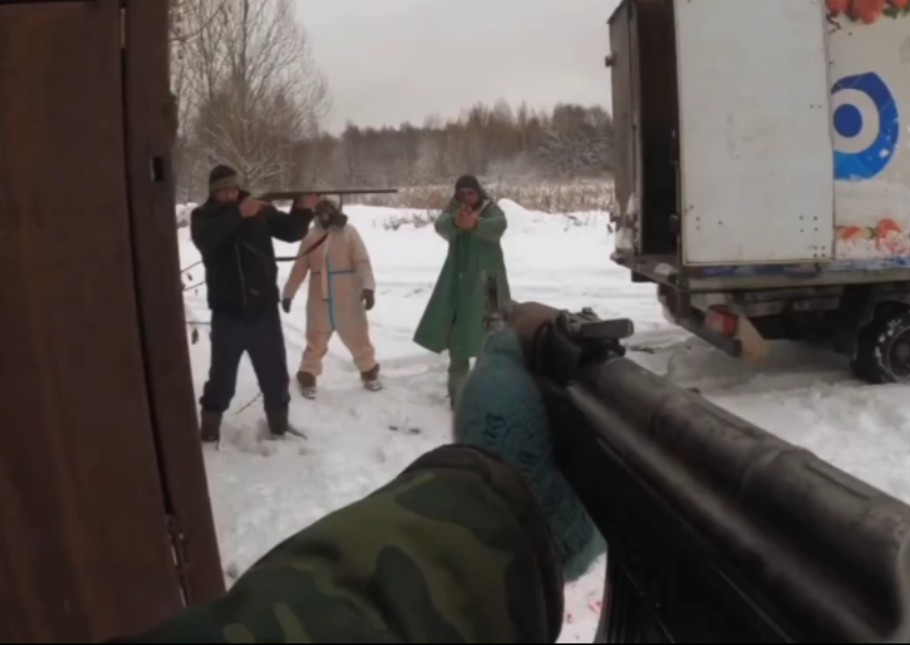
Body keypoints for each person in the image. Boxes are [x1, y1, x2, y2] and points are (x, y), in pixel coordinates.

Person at [120, 302, 606, 643]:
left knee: (356, 342)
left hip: (345, 300)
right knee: (311, 341)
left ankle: (361, 374)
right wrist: (512, 507)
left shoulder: (349, 235)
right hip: (290, 306)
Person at [191, 165, 317, 442]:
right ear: (214, 193)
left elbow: (290, 232)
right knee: (221, 381)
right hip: (228, 312)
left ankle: (279, 428)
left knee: (275, 376)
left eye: (234, 188)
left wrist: (303, 208)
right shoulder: (203, 217)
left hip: (264, 312)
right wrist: (238, 214)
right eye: (225, 190)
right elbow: (207, 241)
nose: (232, 193)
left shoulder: (259, 209)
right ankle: (209, 433)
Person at [413, 175, 511, 408]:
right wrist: (457, 222)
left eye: (470, 193)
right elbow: (441, 224)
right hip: (457, 281)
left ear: (478, 193)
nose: (466, 197)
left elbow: (498, 227)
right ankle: (458, 395)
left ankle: (488, 392)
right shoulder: (455, 210)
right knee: (458, 336)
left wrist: (476, 224)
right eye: (462, 193)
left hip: (489, 281)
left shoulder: (491, 209)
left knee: (491, 335)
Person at [282, 200, 381, 397]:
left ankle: (369, 372)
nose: (325, 213)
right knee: (316, 338)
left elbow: (362, 263)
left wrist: (368, 288)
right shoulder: (311, 236)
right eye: (321, 210)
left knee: (358, 336)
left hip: (348, 296)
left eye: (329, 209)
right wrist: (288, 294)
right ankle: (308, 375)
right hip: (319, 298)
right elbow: (299, 268)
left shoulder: (349, 233)